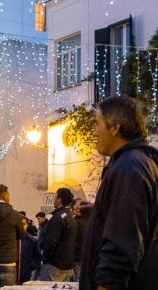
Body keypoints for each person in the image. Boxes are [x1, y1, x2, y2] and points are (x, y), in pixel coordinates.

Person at [80, 95, 158, 290]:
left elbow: (121, 248)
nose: (94, 131)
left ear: (115, 127)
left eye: (97, 124)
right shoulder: (139, 163)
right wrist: (98, 212)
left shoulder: (128, 169)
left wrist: (106, 284)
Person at [40, 187, 77, 282]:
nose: (53, 200)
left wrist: (45, 258)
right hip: (67, 265)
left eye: (55, 197)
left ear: (59, 199)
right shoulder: (70, 216)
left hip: (55, 265)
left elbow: (51, 241)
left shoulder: (58, 218)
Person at [18, 216, 41, 284]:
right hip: (11, 273)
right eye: (20, 224)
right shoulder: (10, 239)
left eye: (24, 224)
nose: (22, 226)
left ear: (27, 225)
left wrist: (30, 266)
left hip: (26, 273)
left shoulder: (32, 240)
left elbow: (37, 256)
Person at [71, 198, 87, 282]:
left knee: (77, 282)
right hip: (84, 256)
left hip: (77, 257)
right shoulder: (89, 221)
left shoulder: (75, 222)